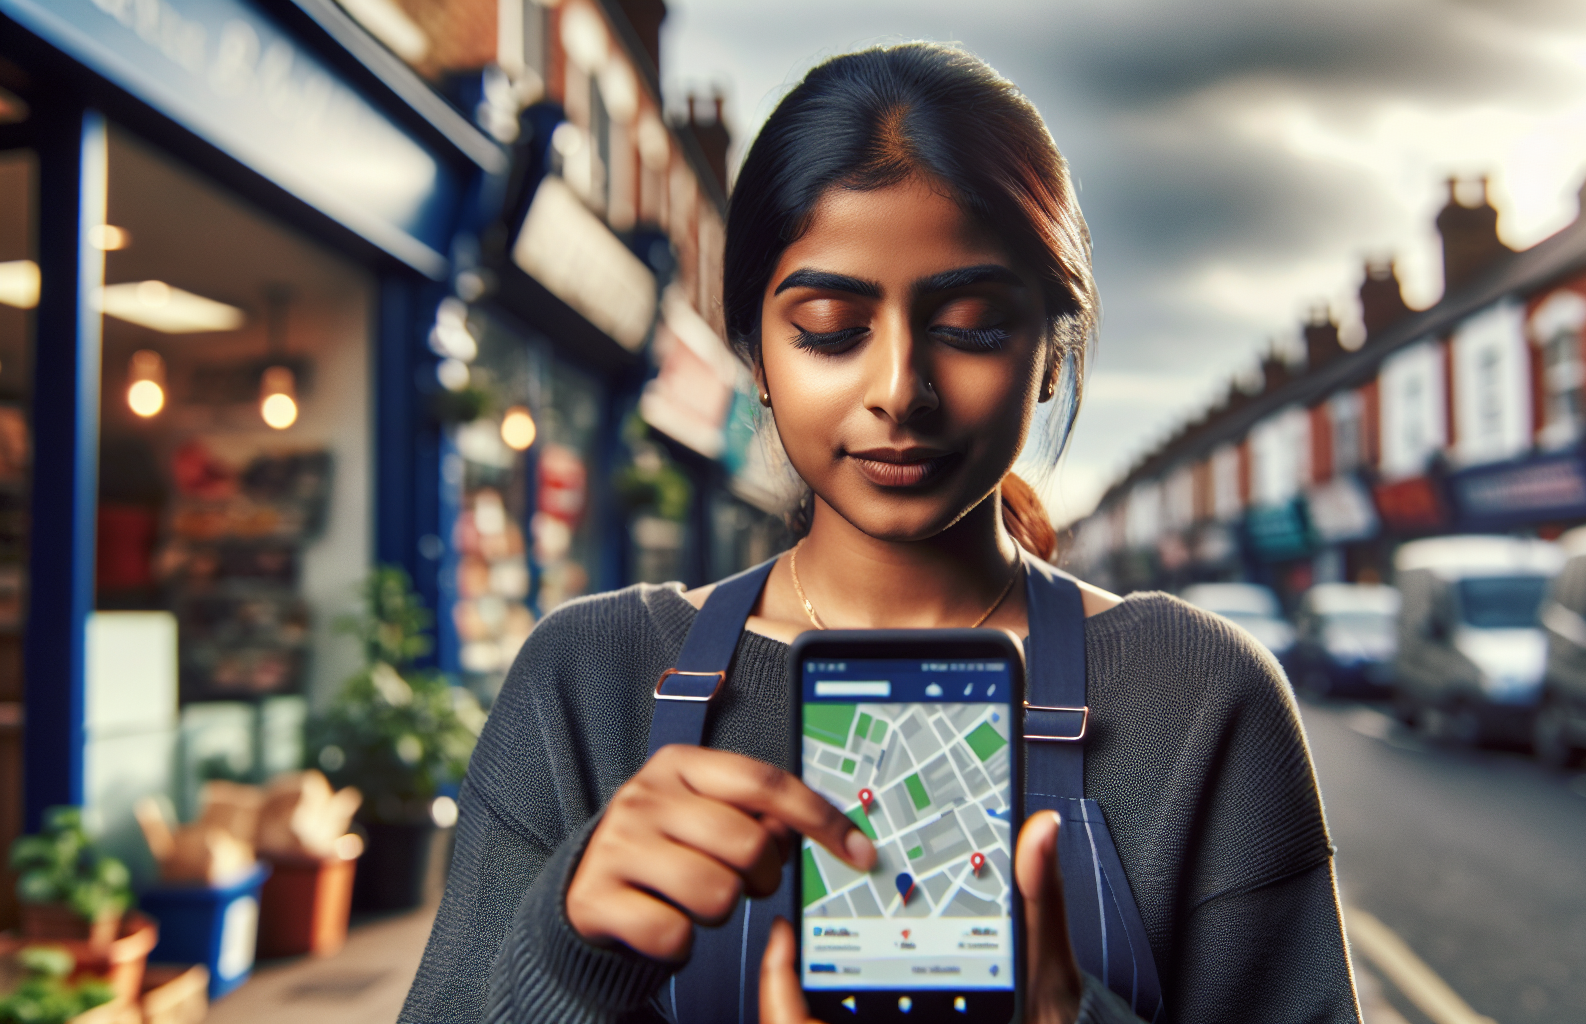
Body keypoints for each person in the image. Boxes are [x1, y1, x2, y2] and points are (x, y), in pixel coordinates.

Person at [403, 43, 1360, 1024]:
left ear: (1048, 353)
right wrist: (566, 962)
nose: (899, 389)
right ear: (758, 356)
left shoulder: (1198, 695)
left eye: (974, 323)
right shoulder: (586, 679)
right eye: (828, 326)